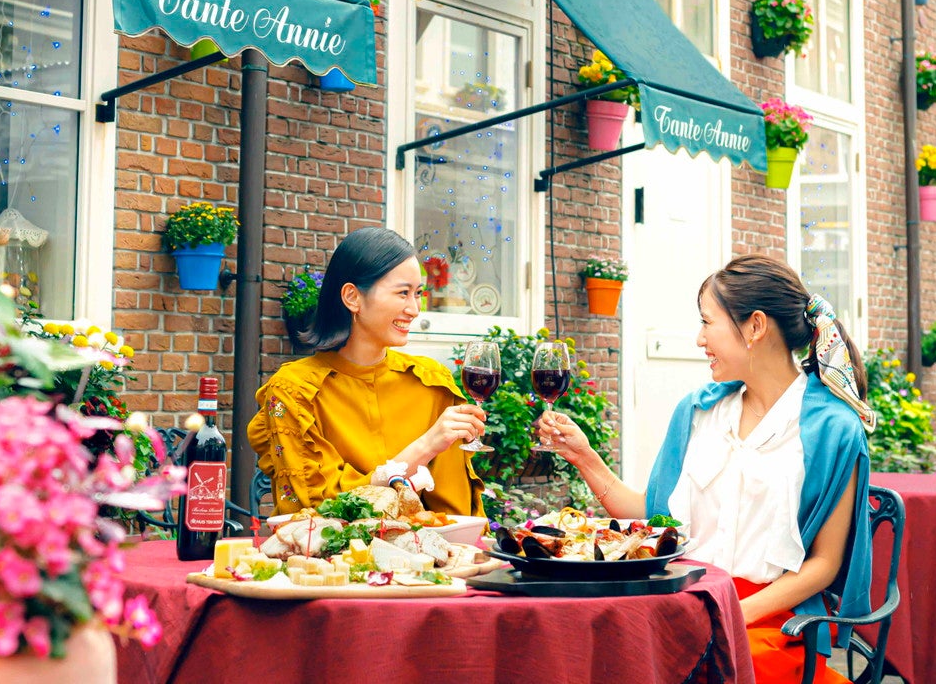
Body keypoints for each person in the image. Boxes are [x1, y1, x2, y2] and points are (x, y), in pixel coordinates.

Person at [540, 254, 874, 684]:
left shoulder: (834, 429)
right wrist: (584, 457)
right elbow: (650, 516)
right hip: (678, 604)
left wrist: (731, 614)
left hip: (767, 622)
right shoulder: (698, 412)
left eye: (707, 322)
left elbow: (824, 564)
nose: (699, 339)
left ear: (755, 327)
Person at [248, 227, 486, 517]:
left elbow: (455, 516)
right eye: (403, 293)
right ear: (352, 297)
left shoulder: (433, 383)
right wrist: (425, 446)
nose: (414, 309)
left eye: (418, 294)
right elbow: (314, 513)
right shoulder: (293, 393)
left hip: (425, 547)